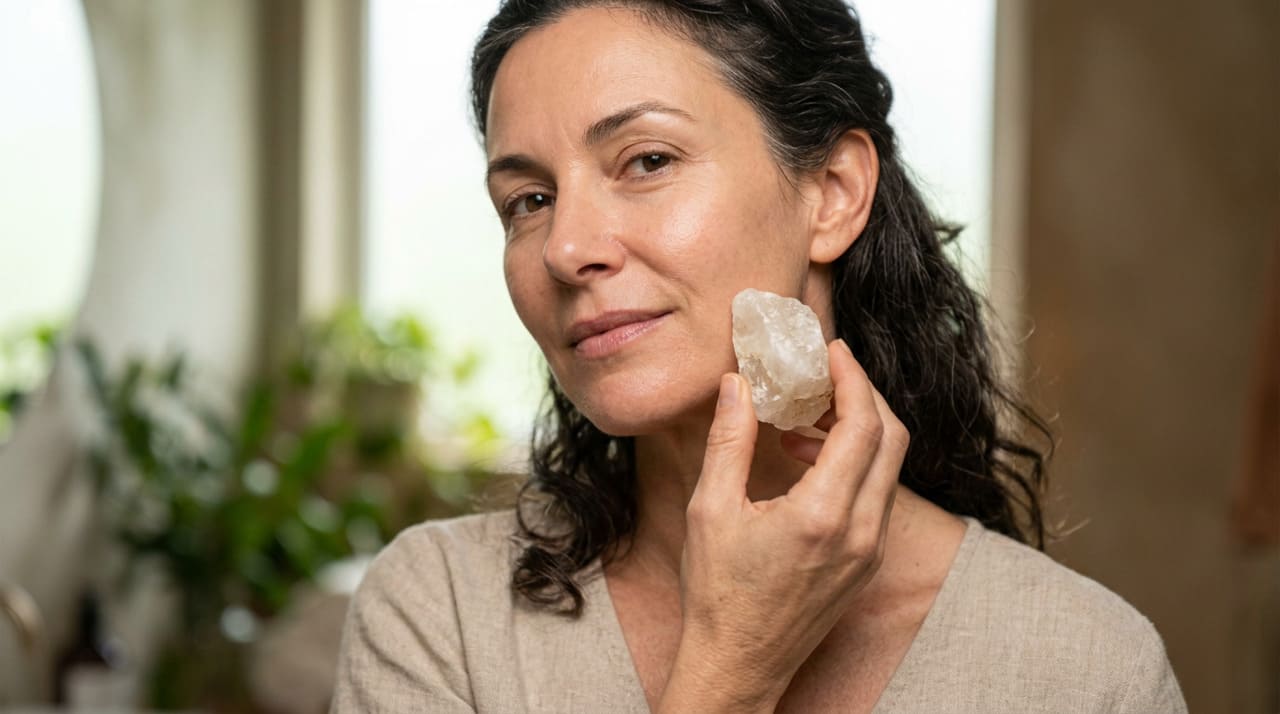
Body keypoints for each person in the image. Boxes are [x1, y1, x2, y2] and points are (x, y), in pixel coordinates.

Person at [332, 1, 1187, 711]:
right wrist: (730, 665)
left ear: (834, 194)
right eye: (528, 200)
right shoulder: (439, 616)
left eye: (647, 160)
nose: (565, 247)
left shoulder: (1087, 671)